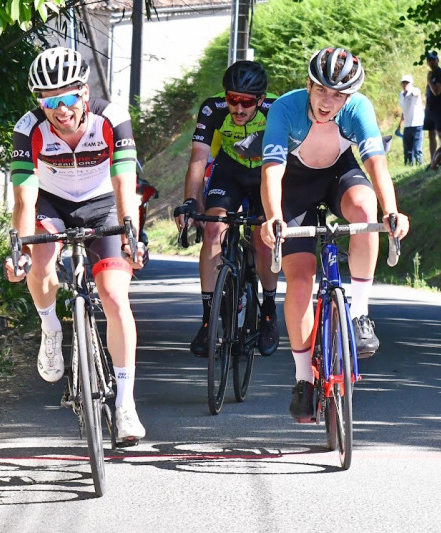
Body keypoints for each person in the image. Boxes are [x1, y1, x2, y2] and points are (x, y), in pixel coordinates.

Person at [259, 47, 410, 421]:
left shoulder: (359, 109)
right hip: (294, 185)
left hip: (339, 175)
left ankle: (359, 313)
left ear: (350, 96)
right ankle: (303, 380)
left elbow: (376, 164)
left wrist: (391, 210)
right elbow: (272, 171)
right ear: (308, 85)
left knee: (365, 209)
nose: (328, 102)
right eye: (322, 91)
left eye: (338, 95)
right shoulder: (285, 108)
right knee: (299, 281)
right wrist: (274, 218)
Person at [4, 47, 147, 443]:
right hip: (52, 203)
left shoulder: (111, 119)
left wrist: (131, 236)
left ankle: (125, 405)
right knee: (40, 263)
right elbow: (24, 199)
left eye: (67, 98)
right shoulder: (28, 128)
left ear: (84, 92)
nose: (60, 110)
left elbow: (125, 187)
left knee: (114, 296)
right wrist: (20, 251)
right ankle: (51, 328)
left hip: (104, 204)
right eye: (49, 101)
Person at [174, 61, 281, 358]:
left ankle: (269, 310)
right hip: (229, 171)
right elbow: (198, 158)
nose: (238, 108)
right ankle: (208, 319)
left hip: (265, 174)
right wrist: (191, 200)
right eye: (233, 99)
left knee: (263, 238)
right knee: (213, 230)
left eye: (247, 102)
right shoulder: (213, 109)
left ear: (260, 99)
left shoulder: (276, 110)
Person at [423, 51, 441, 165]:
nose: (431, 62)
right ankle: (433, 160)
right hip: (430, 109)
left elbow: (437, 91)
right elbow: (428, 92)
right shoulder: (431, 74)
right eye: (429, 60)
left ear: (437, 60)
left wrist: (429, 80)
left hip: (440, 109)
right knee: (431, 134)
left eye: (433, 60)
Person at [397, 74, 424, 165]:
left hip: (417, 124)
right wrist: (399, 125)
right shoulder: (401, 94)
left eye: (407, 83)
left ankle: (420, 164)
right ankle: (408, 165)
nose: (405, 84)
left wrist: (411, 91)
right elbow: (404, 111)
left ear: (411, 83)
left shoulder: (415, 90)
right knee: (407, 149)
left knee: (417, 148)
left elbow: (416, 93)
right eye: (404, 82)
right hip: (407, 124)